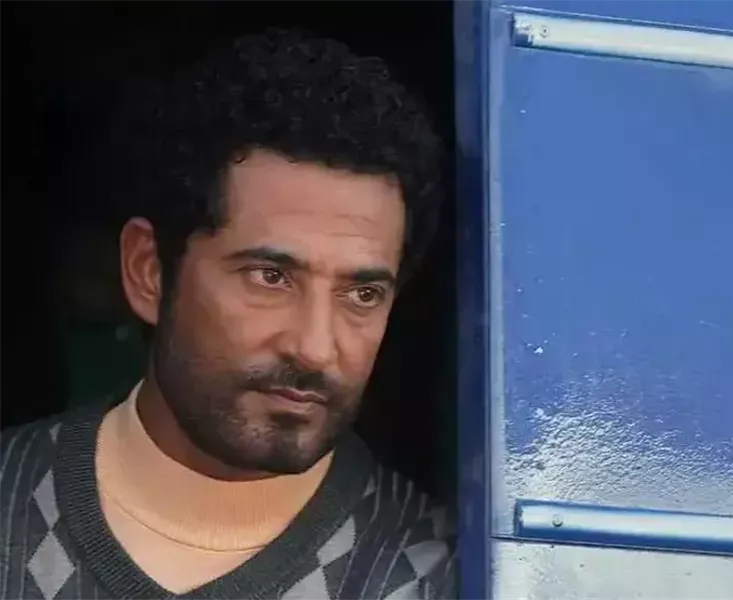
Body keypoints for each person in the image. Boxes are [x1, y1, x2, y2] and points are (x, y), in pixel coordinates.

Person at [0, 29, 456, 600]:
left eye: (361, 294)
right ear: (149, 271)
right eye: (270, 277)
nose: (315, 347)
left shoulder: (440, 576)